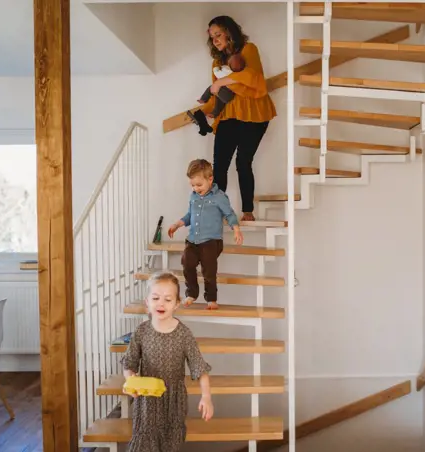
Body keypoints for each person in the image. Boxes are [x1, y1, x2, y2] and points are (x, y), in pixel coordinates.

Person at [121, 272, 213, 452]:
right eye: (155, 298)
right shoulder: (141, 332)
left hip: (173, 402)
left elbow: (199, 368)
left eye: (168, 299)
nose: (161, 303)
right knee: (143, 445)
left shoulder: (184, 334)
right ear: (147, 302)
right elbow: (129, 364)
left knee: (170, 444)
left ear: (177, 304)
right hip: (147, 402)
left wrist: (206, 397)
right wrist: (131, 382)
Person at [205, 15, 277, 222]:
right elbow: (219, 93)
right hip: (229, 115)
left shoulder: (248, 49)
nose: (216, 40)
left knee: (243, 162)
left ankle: (247, 212)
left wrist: (222, 82)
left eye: (219, 35)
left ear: (229, 32)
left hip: (255, 114)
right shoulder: (217, 63)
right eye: (213, 37)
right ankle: (218, 213)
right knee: (219, 166)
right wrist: (207, 110)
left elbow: (253, 78)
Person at [167, 159, 243, 310]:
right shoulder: (193, 197)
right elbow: (190, 215)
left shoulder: (219, 197)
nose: (195, 188)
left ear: (210, 179)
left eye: (199, 185)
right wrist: (177, 224)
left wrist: (236, 229)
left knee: (209, 270)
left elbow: (230, 214)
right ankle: (192, 293)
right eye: (193, 185)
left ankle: (211, 298)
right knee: (186, 263)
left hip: (211, 241)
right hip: (193, 240)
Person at [187, 52, 246, 136]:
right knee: (219, 102)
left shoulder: (227, 71)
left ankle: (204, 99)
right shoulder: (239, 73)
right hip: (229, 96)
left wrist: (218, 68)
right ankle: (214, 113)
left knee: (211, 88)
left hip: (226, 93)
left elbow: (216, 72)